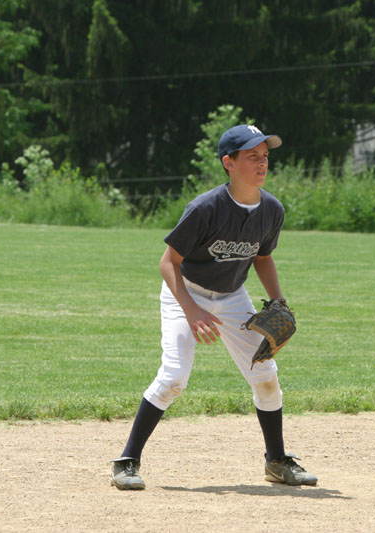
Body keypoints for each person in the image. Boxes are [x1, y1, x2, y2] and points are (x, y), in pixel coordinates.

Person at [110, 124, 317, 490]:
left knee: (266, 377)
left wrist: (279, 301)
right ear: (229, 162)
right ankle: (127, 461)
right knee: (174, 378)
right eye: (252, 155)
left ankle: (277, 461)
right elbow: (167, 262)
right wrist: (191, 310)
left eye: (265, 155)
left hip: (233, 297)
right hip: (185, 292)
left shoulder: (271, 210)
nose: (262, 162)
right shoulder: (206, 208)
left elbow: (263, 258)